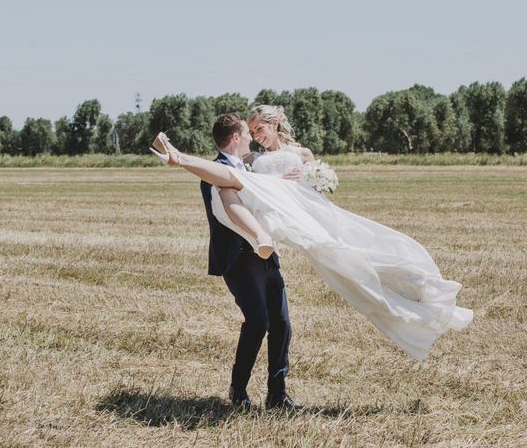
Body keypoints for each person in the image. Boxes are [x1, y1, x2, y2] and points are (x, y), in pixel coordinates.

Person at [151, 105, 473, 361]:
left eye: (259, 129)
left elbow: (318, 190)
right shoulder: (249, 162)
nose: (255, 135)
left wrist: (308, 180)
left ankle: (417, 290)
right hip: (271, 214)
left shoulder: (300, 155)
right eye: (250, 132)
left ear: (274, 124)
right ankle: (178, 158)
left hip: (302, 216)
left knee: (354, 260)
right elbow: (233, 178)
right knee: (230, 186)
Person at [197, 112, 299, 411]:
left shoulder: (247, 167)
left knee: (282, 323)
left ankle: (277, 394)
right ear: (237, 137)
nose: (253, 138)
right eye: (248, 132)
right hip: (238, 258)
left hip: (266, 255)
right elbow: (236, 204)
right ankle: (238, 389)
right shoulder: (215, 170)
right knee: (257, 322)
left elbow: (260, 196)